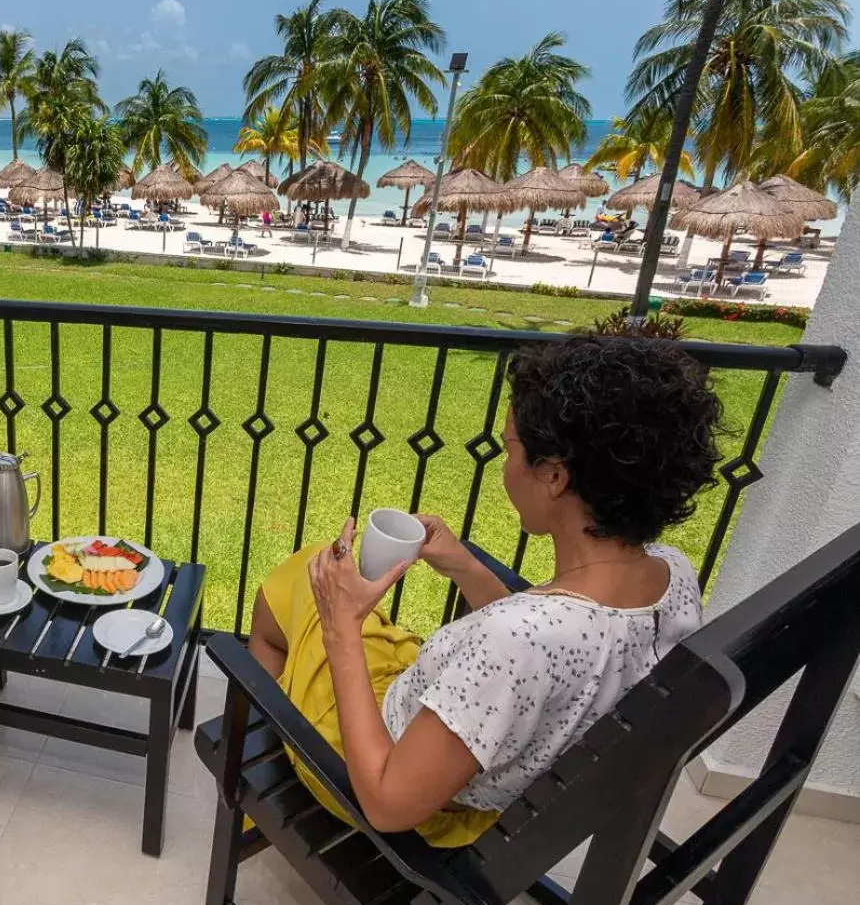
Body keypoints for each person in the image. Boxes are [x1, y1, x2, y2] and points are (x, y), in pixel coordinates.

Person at [250, 336, 720, 846]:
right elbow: (547, 659)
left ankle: (272, 750)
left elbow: (388, 804)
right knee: (317, 583)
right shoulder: (670, 577)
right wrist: (465, 567)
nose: (504, 465)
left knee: (303, 576)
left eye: (510, 449)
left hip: (384, 769)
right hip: (477, 768)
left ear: (555, 475)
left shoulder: (514, 639)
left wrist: (342, 626)